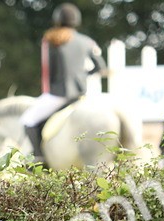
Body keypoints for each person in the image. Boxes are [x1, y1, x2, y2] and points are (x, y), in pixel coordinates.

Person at [20, 3, 106, 164]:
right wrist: (82, 75)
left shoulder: (52, 40)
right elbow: (100, 67)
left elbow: (47, 71)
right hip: (81, 93)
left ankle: (38, 158)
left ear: (57, 20)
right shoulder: (87, 41)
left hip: (59, 93)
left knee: (28, 120)